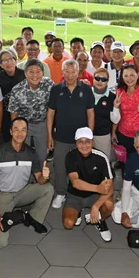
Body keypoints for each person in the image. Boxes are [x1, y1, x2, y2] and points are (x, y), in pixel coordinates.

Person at [0, 118, 54, 247]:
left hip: (22, 192)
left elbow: (40, 181)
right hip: (3, 195)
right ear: (10, 132)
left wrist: (45, 176)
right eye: (16, 129)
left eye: (23, 130)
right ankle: (19, 215)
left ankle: (32, 218)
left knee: (48, 189)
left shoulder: (31, 153)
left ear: (27, 132)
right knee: (1, 243)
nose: (20, 133)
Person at [47, 60, 95, 208]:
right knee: (60, 166)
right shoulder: (56, 90)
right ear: (62, 72)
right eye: (66, 71)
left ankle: (78, 192)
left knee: (81, 165)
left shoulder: (86, 90)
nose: (70, 75)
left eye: (73, 71)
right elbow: (50, 114)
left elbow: (91, 114)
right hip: (61, 136)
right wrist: (50, 135)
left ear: (78, 72)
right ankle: (61, 193)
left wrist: (89, 136)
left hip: (81, 138)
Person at [63, 128, 114, 242]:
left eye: (87, 141)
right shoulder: (71, 156)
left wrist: (96, 206)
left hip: (95, 195)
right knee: (68, 224)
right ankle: (79, 210)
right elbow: (75, 183)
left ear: (93, 142)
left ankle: (100, 220)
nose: (84, 145)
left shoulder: (101, 157)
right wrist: (98, 187)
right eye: (80, 142)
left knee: (109, 204)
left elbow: (110, 188)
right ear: (76, 143)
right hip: (75, 195)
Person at [7, 59, 54, 151]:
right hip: (24, 125)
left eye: (38, 72)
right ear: (25, 74)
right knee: (23, 153)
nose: (35, 75)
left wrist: (50, 134)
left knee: (42, 154)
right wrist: (16, 131)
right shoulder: (17, 90)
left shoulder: (49, 84)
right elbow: (13, 113)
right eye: (31, 72)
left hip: (42, 124)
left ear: (42, 73)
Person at [112, 64, 139, 156]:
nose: (129, 79)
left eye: (132, 75)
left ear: (137, 75)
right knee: (126, 163)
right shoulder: (119, 91)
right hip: (123, 134)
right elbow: (118, 114)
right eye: (126, 76)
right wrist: (113, 132)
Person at [0, 49, 26, 141]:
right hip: (5, 116)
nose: (9, 62)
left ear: (15, 61)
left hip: (23, 114)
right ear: (1, 65)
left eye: (11, 59)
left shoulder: (24, 74)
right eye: (5, 60)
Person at [90, 66, 118, 160]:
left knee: (103, 161)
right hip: (86, 134)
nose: (100, 81)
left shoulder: (112, 97)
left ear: (107, 81)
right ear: (93, 79)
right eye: (97, 78)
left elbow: (115, 119)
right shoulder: (86, 93)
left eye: (103, 79)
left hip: (103, 135)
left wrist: (116, 107)